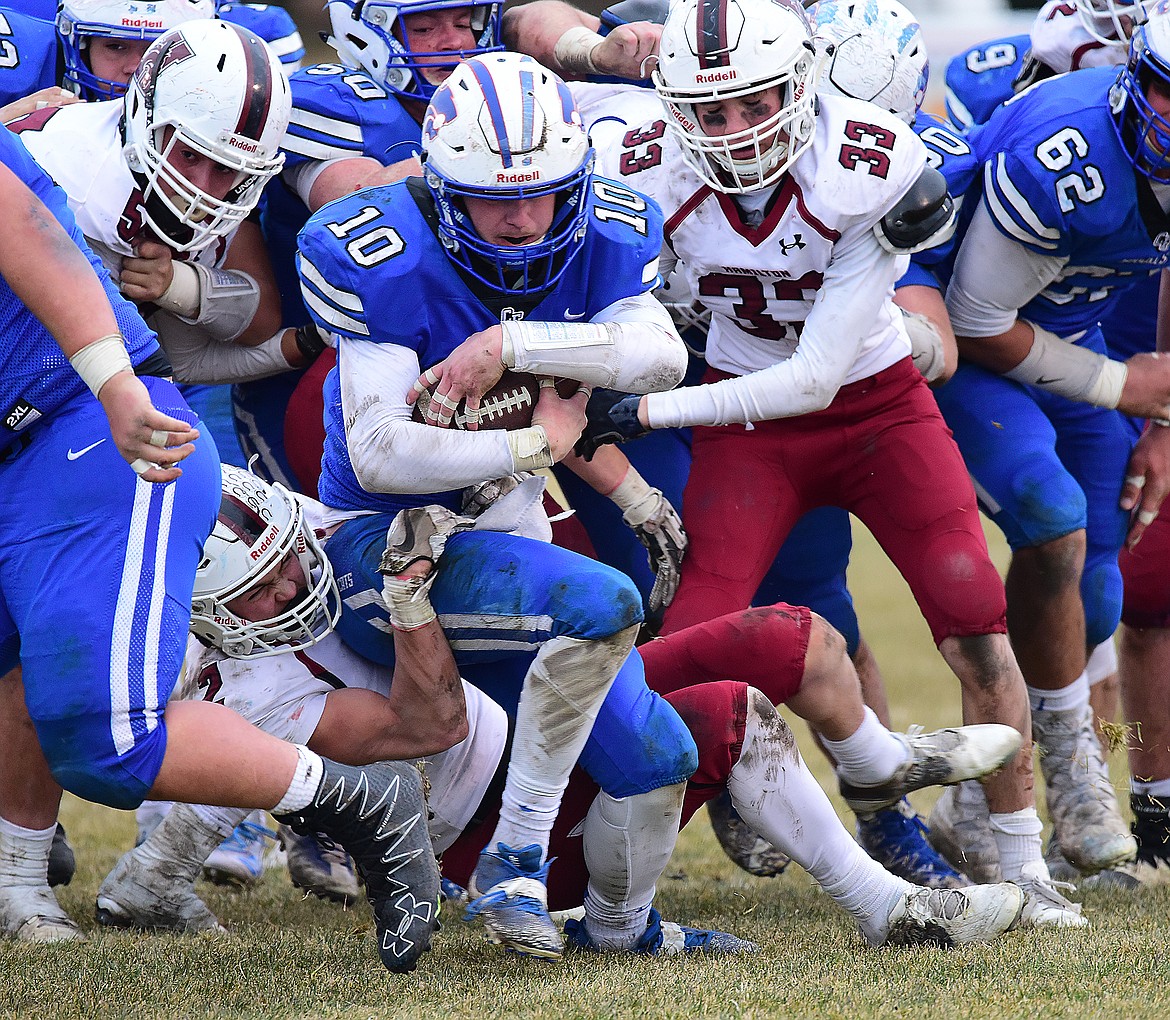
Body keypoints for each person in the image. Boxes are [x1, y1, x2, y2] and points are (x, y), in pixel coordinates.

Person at [579, 0, 1088, 928]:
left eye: (753, 103)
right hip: (747, 430)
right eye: (710, 110)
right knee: (693, 650)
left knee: (974, 616)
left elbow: (815, 378)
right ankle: (617, 881)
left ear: (802, 87)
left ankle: (1023, 862)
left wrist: (644, 409)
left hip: (875, 406)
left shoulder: (869, 161)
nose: (732, 132)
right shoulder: (642, 163)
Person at [102, 489, 1027, 952]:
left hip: (522, 715)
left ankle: (880, 763)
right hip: (482, 813)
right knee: (726, 716)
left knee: (782, 636)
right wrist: (413, 605)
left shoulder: (288, 526)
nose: (291, 586)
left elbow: (363, 490)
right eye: (259, 592)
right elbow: (427, 725)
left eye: (283, 562)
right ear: (208, 614)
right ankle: (878, 907)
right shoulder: (256, 697)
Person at [0, 124, 441, 970]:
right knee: (15, 662)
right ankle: (16, 880)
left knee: (107, 739)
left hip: (92, 430)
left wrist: (115, 384)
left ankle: (358, 799)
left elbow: (27, 233)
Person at [931, 2, 1170, 887]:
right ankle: (1070, 766)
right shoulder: (1067, 155)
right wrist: (1121, 387)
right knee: (1048, 512)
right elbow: (975, 318)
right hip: (979, 352)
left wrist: (1161, 418)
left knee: (1099, 591)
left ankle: (967, 809)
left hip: (1077, 341)